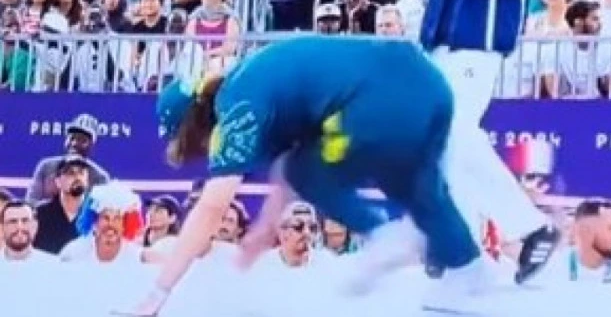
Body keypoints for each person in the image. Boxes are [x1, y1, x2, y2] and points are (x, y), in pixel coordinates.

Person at [117, 36, 494, 316]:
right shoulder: (257, 80)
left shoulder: (237, 104)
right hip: (428, 84)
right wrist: (265, 228)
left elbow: (212, 207)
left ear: (194, 124)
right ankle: (468, 268)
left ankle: (382, 233)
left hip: (380, 99)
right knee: (420, 189)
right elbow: (286, 167)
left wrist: (157, 294)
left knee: (310, 170)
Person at [415, 0, 559, 283]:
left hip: (480, 40)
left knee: (455, 133)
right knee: (443, 143)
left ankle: (528, 228)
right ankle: (460, 242)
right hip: (441, 40)